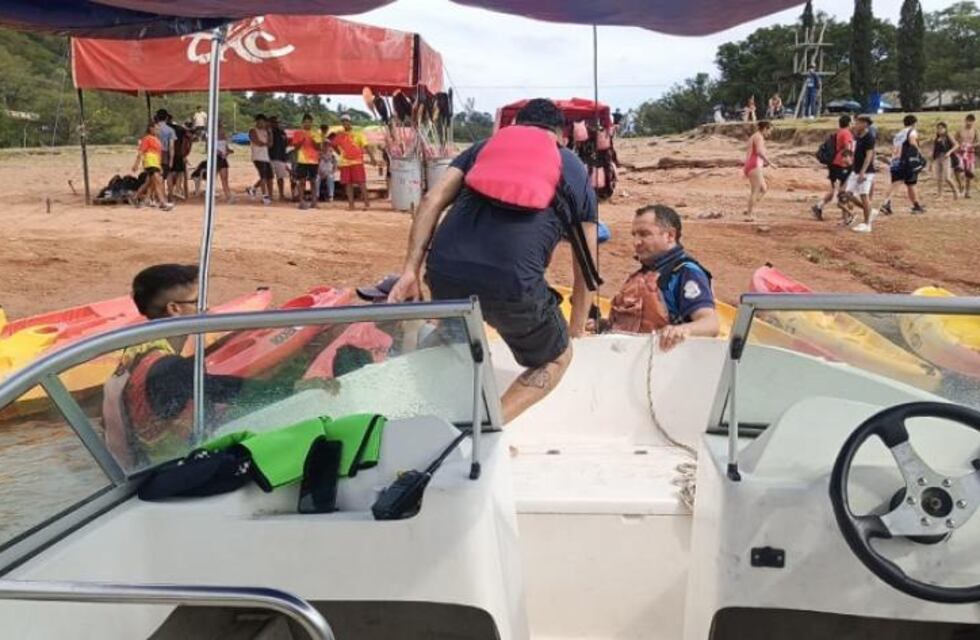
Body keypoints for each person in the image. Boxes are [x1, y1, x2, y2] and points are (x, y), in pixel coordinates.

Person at [387, 98, 599, 424]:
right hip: (512, 285)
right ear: (562, 135)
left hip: (444, 272)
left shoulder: (483, 147)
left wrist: (409, 271)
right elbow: (586, 262)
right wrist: (575, 329)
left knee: (453, 336)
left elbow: (431, 200)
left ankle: (419, 405)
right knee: (557, 358)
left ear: (514, 127)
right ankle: (485, 427)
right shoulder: (572, 166)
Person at [102, 264, 278, 466]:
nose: (208, 308)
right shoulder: (171, 368)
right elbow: (231, 391)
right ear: (174, 309)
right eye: (199, 301)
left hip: (145, 465)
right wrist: (294, 387)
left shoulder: (136, 352)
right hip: (176, 472)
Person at [608, 205, 719, 349]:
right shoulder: (643, 275)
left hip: (664, 362)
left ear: (670, 236)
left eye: (644, 234)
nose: (636, 242)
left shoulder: (686, 273)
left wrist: (679, 330)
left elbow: (711, 324)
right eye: (634, 235)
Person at [880, 114, 926, 216]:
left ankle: (916, 205)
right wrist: (920, 155)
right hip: (905, 161)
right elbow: (913, 142)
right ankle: (886, 203)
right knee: (898, 183)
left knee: (910, 183)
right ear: (914, 123)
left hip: (895, 161)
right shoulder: (912, 131)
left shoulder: (899, 134)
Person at [839, 115, 878, 233]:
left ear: (865, 124)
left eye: (858, 123)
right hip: (855, 170)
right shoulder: (858, 136)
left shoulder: (869, 138)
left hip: (865, 171)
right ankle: (869, 211)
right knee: (846, 194)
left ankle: (867, 224)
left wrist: (863, 172)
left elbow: (869, 156)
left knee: (864, 195)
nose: (856, 124)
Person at [812, 115, 855, 220]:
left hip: (834, 163)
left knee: (834, 188)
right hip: (842, 164)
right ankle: (845, 214)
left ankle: (819, 206)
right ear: (849, 123)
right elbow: (847, 149)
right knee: (844, 189)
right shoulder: (846, 133)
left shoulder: (839, 132)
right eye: (852, 121)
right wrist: (850, 162)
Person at [333, 113, 378, 210]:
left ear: (350, 122)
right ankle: (351, 205)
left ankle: (367, 204)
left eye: (346, 121)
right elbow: (333, 145)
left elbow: (366, 146)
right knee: (348, 184)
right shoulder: (340, 134)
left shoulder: (358, 133)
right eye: (343, 121)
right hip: (345, 162)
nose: (345, 123)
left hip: (357, 162)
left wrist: (372, 158)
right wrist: (340, 153)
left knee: (361, 183)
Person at [130, 122, 173, 212]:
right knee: (158, 181)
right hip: (150, 162)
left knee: (149, 182)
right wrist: (136, 164)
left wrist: (160, 165)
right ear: (151, 128)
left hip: (155, 162)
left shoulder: (157, 140)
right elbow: (141, 152)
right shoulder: (147, 139)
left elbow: (159, 154)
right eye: (156, 128)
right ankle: (162, 203)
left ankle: (135, 197)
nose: (158, 130)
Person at [290, 113, 322, 210]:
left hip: (314, 160)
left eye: (309, 122)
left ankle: (314, 202)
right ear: (302, 123)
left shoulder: (316, 133)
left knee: (313, 181)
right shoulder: (297, 133)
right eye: (306, 122)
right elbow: (295, 147)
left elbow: (319, 147)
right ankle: (301, 202)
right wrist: (301, 141)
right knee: (302, 181)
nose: (307, 124)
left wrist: (314, 141)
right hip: (302, 160)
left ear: (312, 123)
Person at [744, 121, 774, 218]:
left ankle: (750, 208)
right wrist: (769, 162)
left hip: (752, 164)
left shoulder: (755, 136)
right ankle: (749, 214)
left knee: (764, 189)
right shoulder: (759, 137)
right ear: (765, 128)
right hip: (754, 165)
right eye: (769, 131)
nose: (769, 133)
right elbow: (759, 152)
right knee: (756, 190)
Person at [247, 114, 273, 206]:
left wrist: (270, 133)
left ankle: (253, 188)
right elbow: (257, 142)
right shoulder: (253, 130)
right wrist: (266, 143)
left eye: (264, 122)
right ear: (257, 122)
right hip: (257, 157)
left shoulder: (266, 131)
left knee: (269, 176)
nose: (262, 124)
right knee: (263, 177)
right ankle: (264, 196)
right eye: (260, 122)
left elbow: (270, 144)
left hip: (265, 157)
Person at [932, 122, 961, 201]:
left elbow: (956, 145)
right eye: (938, 128)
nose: (939, 130)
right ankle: (940, 195)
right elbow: (935, 150)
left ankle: (956, 191)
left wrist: (949, 152)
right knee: (939, 178)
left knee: (947, 177)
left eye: (941, 128)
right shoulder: (937, 138)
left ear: (945, 129)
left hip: (946, 158)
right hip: (938, 158)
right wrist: (933, 160)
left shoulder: (948, 136)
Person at [153, 109, 176, 201]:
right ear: (166, 117)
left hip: (155, 154)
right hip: (165, 153)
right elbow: (171, 147)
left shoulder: (154, 129)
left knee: (159, 176)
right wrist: (171, 160)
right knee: (168, 174)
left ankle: (161, 197)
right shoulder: (170, 130)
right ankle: (170, 195)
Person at [268, 115, 292, 202]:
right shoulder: (268, 132)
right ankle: (269, 195)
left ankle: (281, 195)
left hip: (281, 157)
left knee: (280, 177)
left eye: (276, 122)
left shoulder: (282, 132)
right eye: (273, 122)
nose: (275, 124)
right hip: (270, 157)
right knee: (268, 178)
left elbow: (286, 144)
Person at [955, 114, 977, 198]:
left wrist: (971, 145)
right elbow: (954, 140)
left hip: (970, 153)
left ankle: (967, 192)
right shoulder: (960, 130)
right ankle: (961, 184)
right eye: (968, 121)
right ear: (965, 120)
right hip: (960, 153)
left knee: (970, 173)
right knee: (958, 170)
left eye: (971, 121)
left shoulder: (975, 131)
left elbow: (978, 142)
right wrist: (960, 145)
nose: (969, 123)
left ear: (974, 122)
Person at [316, 130, 339, 202]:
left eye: (327, 144)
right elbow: (316, 164)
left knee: (330, 177)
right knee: (317, 178)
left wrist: (332, 172)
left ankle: (330, 195)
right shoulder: (318, 154)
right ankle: (316, 195)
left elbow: (335, 165)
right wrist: (318, 172)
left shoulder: (332, 154)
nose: (326, 146)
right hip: (320, 172)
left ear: (329, 145)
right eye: (324, 144)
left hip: (329, 172)